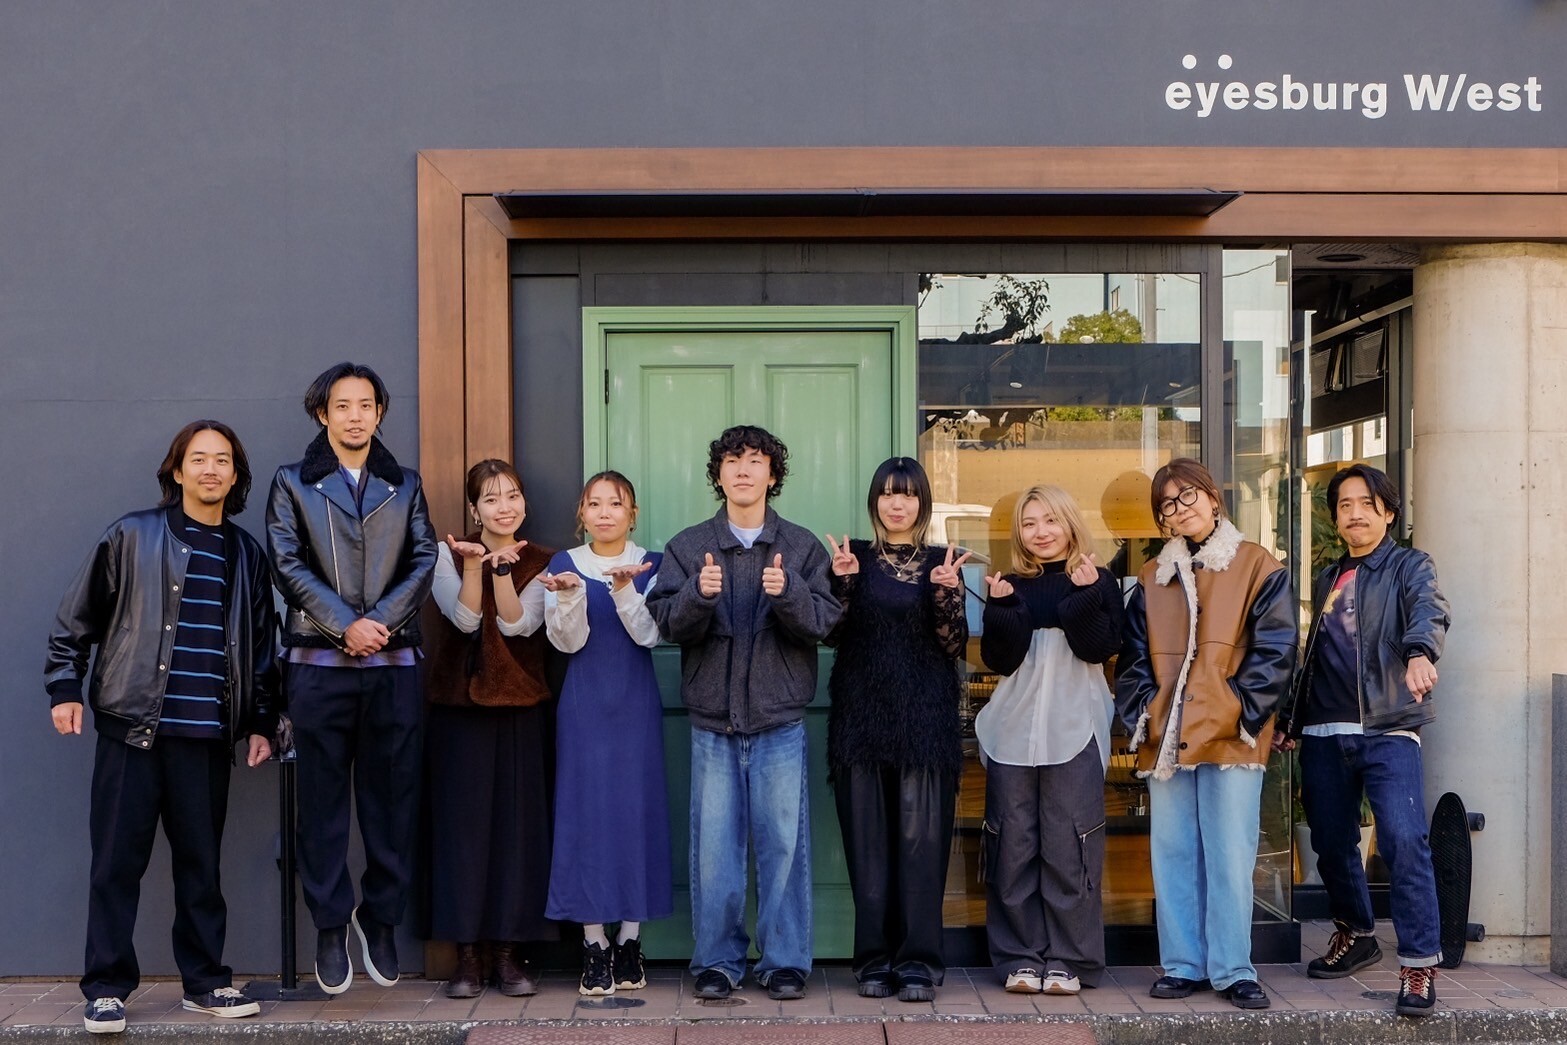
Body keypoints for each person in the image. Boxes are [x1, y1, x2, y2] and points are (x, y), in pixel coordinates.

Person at [45, 421, 277, 1033]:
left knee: (201, 868)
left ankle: (205, 982)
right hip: (132, 730)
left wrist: (261, 719)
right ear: (176, 471)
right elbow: (76, 618)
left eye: (222, 460)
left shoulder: (246, 554)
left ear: (235, 474)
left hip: (205, 737)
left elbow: (261, 648)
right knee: (116, 864)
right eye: (198, 459)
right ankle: (105, 989)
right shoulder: (132, 534)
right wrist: (64, 687)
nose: (210, 469)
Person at [646, 425, 841, 1002]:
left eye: (756, 461)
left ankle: (785, 961)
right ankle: (717, 960)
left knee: (784, 847)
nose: (743, 470)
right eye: (732, 461)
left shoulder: (801, 547)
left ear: (772, 475)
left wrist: (790, 594)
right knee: (715, 851)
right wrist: (697, 595)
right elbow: (664, 622)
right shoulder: (689, 546)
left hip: (780, 721)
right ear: (719, 474)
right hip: (713, 723)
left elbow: (824, 622)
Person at [266, 362, 437, 995]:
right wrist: (345, 626)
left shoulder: (406, 484)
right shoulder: (292, 482)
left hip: (392, 665)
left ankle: (380, 917)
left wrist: (379, 623)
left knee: (393, 803)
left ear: (380, 413)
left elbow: (424, 557)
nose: (355, 415)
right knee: (322, 806)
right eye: (343, 405)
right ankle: (331, 924)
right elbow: (286, 563)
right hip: (317, 666)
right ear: (323, 414)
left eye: (366, 404)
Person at [1115, 458, 1297, 1011]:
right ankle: (1182, 965)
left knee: (1230, 855)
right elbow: (1132, 659)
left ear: (1213, 497)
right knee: (1173, 854)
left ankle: (1234, 969)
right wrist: (1145, 712)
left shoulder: (1256, 564)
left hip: (1231, 735)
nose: (1180, 508)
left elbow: (1277, 649)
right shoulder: (1153, 577)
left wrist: (1243, 713)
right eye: (1167, 504)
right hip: (1167, 736)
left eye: (1188, 495)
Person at [1275, 464, 1451, 1017]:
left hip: (1387, 726)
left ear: (1388, 512)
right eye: (1345, 505)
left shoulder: (1410, 566)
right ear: (1335, 517)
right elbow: (1313, 656)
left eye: (1366, 504)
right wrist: (1291, 719)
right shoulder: (1328, 577)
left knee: (1403, 841)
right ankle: (1357, 932)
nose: (1355, 514)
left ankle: (1419, 964)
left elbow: (1430, 611)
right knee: (1330, 842)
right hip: (1324, 731)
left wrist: (1419, 652)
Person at [823, 457, 969, 1003]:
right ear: (875, 501)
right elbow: (830, 635)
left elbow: (954, 645)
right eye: (887, 493)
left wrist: (946, 594)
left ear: (922, 503)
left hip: (925, 724)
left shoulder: (941, 561)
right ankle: (873, 961)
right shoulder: (853, 557)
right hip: (860, 721)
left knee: (921, 850)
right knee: (869, 851)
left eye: (907, 494)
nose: (897, 503)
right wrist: (842, 584)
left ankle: (918, 963)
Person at [977, 485, 1122, 996]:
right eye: (1029, 523)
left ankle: (1070, 958)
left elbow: (1101, 648)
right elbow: (999, 660)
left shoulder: (1099, 581)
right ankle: (1018, 956)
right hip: (1011, 732)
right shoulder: (1009, 585)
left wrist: (1083, 598)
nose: (1041, 532)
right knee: (1011, 845)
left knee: (1071, 845)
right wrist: (1001, 609)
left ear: (1070, 523)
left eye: (1051, 520)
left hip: (1075, 729)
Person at [425, 459, 555, 999]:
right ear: (474, 509)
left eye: (513, 495)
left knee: (516, 831)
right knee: (464, 831)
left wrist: (503, 572)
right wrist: (475, 566)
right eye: (492, 498)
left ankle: (507, 953)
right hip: (459, 710)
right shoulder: (446, 555)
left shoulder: (545, 561)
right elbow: (462, 620)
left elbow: (518, 624)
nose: (505, 507)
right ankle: (467, 956)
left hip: (521, 707)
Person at [541, 471, 673, 996]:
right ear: (582, 513)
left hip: (636, 707)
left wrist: (624, 589)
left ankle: (630, 941)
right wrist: (570, 597)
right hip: (583, 710)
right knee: (587, 818)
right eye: (594, 504)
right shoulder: (564, 564)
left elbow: (650, 634)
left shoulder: (653, 565)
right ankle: (593, 944)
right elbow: (567, 643)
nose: (604, 513)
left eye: (615, 504)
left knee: (635, 815)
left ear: (632, 513)